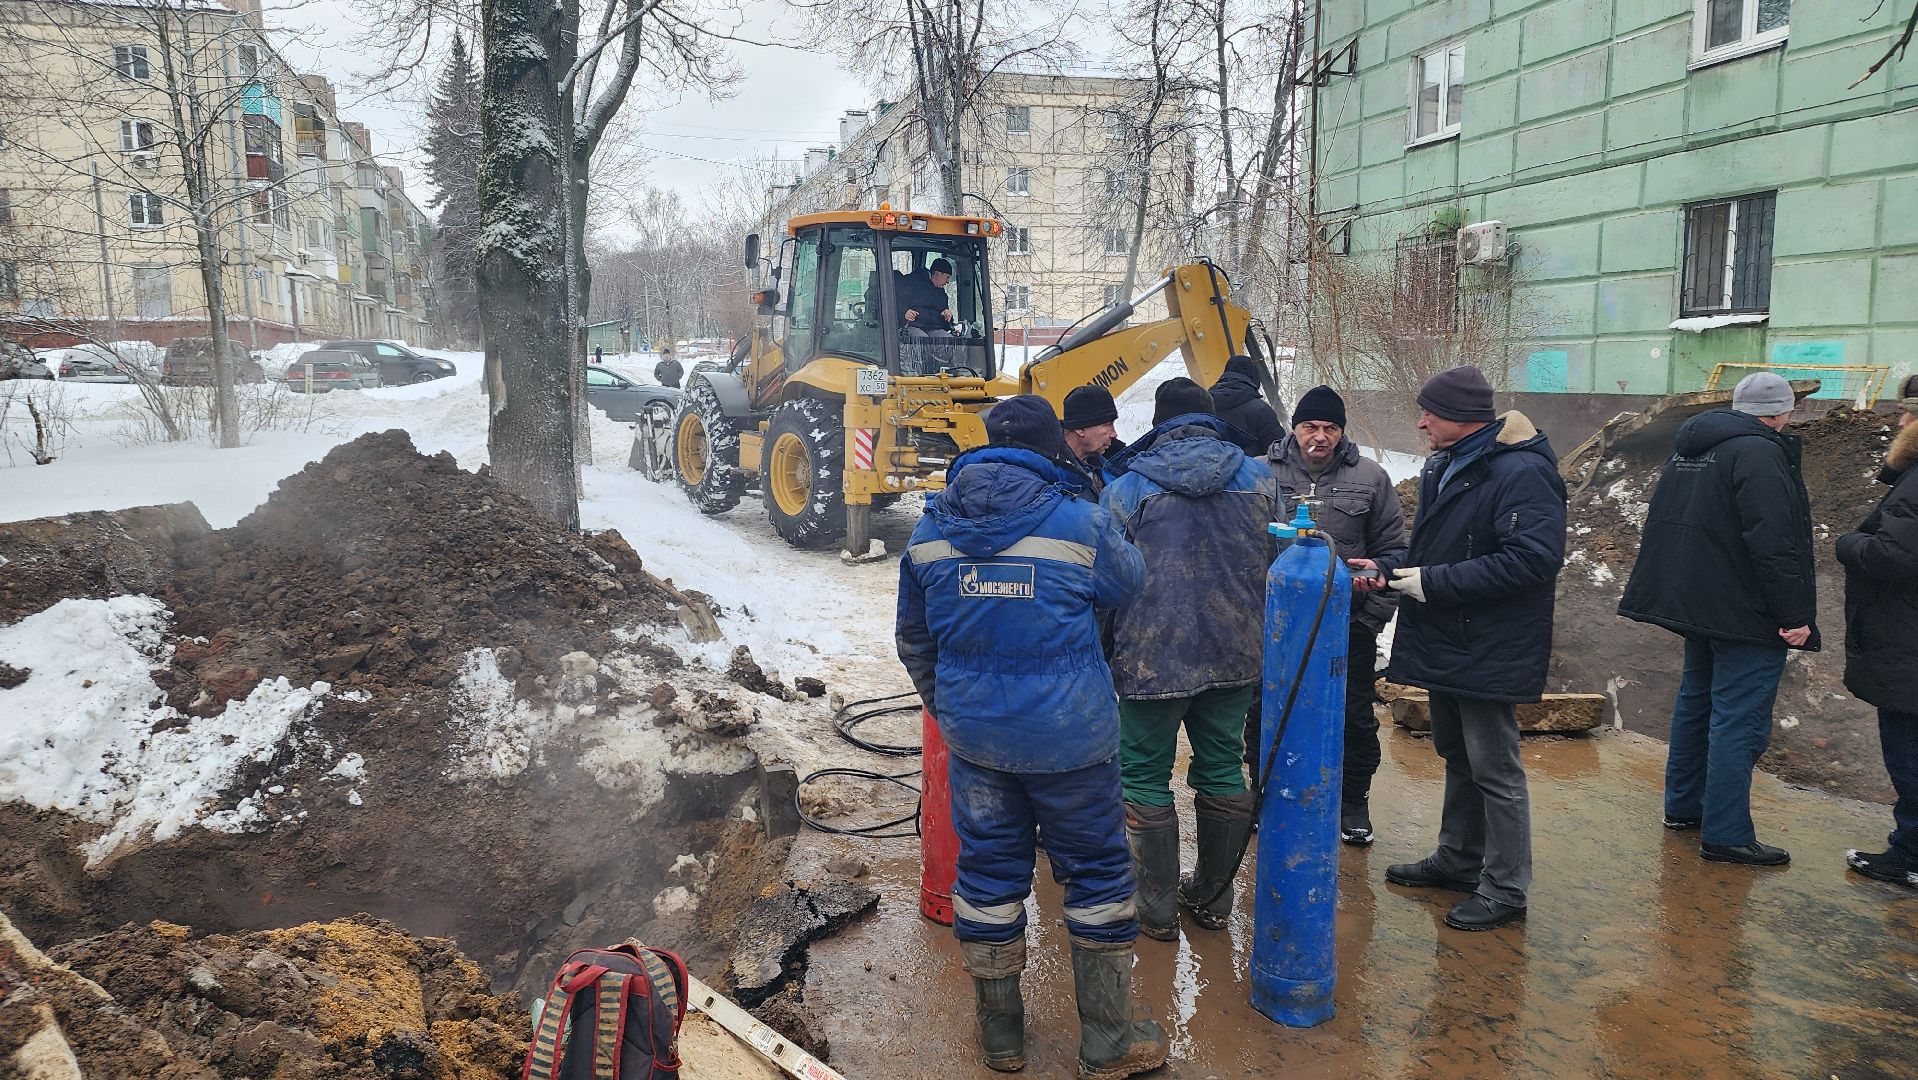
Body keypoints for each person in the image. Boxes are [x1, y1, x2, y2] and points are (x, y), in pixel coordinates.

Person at [896, 395, 1165, 1078]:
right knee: (1099, 879)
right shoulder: (1080, 521)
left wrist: (953, 709)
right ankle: (1107, 1044)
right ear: (1053, 448)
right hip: (1072, 741)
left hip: (979, 747)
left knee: (986, 876)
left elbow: (914, 639)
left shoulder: (929, 532)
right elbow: (1128, 584)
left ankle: (1002, 1041)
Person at [1349, 365, 1565, 931]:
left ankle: (1506, 889)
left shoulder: (1520, 472)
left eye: (1430, 413)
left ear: (1465, 418)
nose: (1420, 422)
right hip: (1452, 636)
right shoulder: (1451, 464)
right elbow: (1436, 549)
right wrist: (1389, 568)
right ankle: (1459, 860)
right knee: (1459, 756)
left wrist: (1433, 584)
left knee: (1495, 767)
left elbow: (1532, 560)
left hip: (1491, 644)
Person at [1102, 377, 1280, 939]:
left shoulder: (1128, 489)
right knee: (1224, 765)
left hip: (1152, 656)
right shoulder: (1262, 480)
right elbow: (1280, 561)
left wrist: (1108, 652)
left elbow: (1107, 581)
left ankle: (1155, 910)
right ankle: (1211, 896)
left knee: (1144, 775)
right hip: (1236, 651)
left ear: (1159, 424)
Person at [1618, 371, 1817, 868]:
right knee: (1739, 720)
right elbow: (1775, 542)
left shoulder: (1692, 447)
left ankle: (1684, 807)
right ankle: (1727, 833)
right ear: (1781, 412)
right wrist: (1794, 614)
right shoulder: (1761, 453)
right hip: (1744, 611)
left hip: (1699, 603)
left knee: (1697, 703)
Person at [1264, 385, 1407, 845]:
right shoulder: (1264, 474)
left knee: (1354, 716)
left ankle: (1352, 802)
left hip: (1347, 627)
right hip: (1276, 628)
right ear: (1295, 429)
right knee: (1263, 711)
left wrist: (1370, 619)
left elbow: (1393, 554)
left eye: (1329, 428)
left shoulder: (1370, 478)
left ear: (1341, 433)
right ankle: (1263, 792)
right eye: (1310, 427)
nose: (1319, 437)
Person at [1840, 374, 1918, 889]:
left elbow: (1894, 556)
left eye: (1906, 414)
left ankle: (1909, 854)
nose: (1897, 420)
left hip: (1907, 645)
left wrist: (1850, 543)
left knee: (1909, 752)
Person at [1209, 356, 1286, 453]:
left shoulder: (1204, 406)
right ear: (1254, 376)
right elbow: (1279, 453)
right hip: (1254, 467)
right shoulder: (1261, 410)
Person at [1061, 384, 1127, 487]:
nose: (1114, 434)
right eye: (1107, 425)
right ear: (1080, 429)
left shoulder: (1117, 459)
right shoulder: (1053, 473)